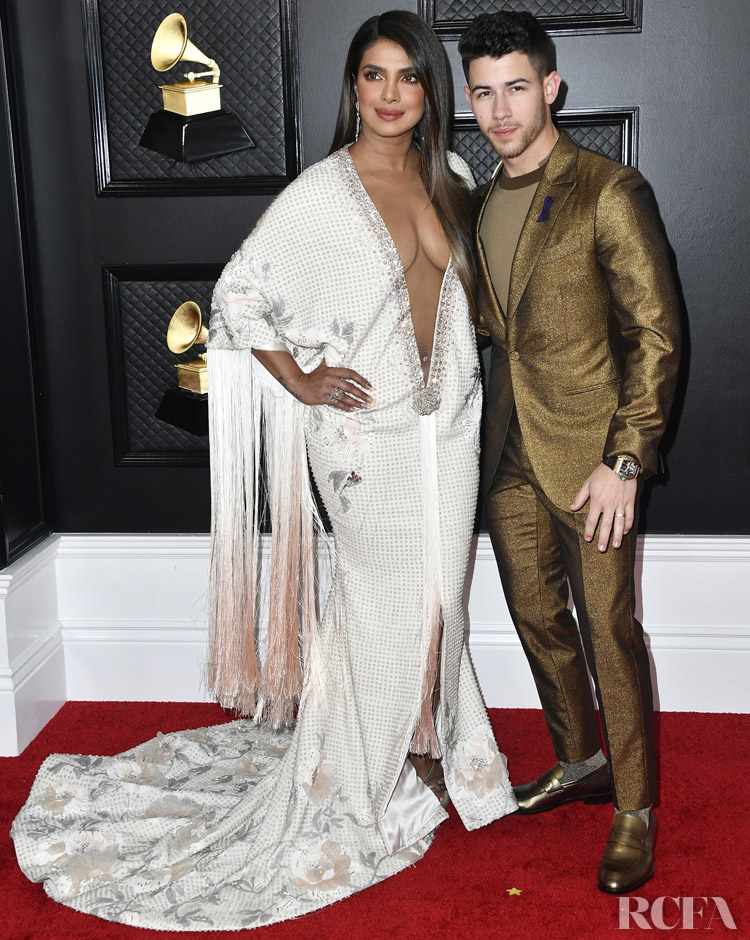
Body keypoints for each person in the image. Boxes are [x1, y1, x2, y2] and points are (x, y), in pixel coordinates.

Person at [10, 11, 515, 930]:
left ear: (428, 91)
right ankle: (353, 772)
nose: (391, 93)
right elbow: (237, 295)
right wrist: (305, 378)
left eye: (407, 77)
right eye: (373, 75)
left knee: (444, 594)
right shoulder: (323, 193)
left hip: (449, 429)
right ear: (353, 88)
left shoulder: (455, 179)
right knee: (378, 601)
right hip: (362, 443)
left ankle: (425, 739)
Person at [458, 11, 680, 894]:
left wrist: (626, 460)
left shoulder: (607, 189)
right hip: (509, 446)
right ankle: (578, 759)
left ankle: (634, 807)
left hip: (594, 461)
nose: (500, 109)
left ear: (551, 87)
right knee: (534, 613)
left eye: (517, 86)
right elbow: (493, 330)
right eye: (483, 90)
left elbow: (656, 335)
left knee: (610, 632)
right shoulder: (478, 202)